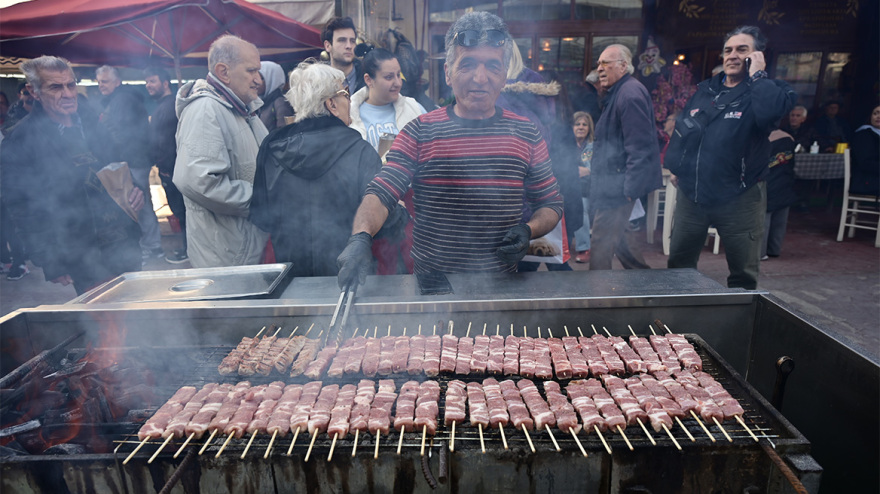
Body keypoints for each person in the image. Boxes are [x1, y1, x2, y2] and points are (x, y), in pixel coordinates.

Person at [336, 11, 563, 288]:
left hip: (502, 285)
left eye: (492, 66)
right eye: (467, 65)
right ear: (448, 72)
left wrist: (529, 230)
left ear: (504, 75)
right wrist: (361, 237)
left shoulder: (526, 133)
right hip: (432, 288)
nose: (480, 78)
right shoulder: (420, 131)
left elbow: (550, 204)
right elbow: (382, 191)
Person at [666, 25, 796, 289]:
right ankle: (674, 322)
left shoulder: (770, 90)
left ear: (758, 55)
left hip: (740, 195)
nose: (732, 55)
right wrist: (677, 166)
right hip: (693, 194)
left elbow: (769, 115)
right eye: (728, 50)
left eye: (742, 49)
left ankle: (737, 325)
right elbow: (684, 128)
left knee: (742, 274)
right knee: (678, 267)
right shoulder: (706, 90)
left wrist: (758, 76)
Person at [0, 56, 144, 294]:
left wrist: (135, 188)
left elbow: (118, 165)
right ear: (33, 92)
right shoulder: (21, 141)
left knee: (140, 313)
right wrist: (51, 261)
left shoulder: (91, 123)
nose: (67, 94)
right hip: (81, 252)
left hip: (124, 244)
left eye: (70, 85)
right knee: (106, 322)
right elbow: (21, 208)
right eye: (55, 87)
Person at [250, 61, 390, 278]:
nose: (350, 99)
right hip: (348, 277)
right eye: (345, 93)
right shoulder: (360, 150)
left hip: (290, 276)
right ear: (331, 104)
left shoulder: (271, 146)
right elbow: (383, 222)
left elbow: (262, 217)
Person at [173, 34, 269, 268]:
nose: (258, 80)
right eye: (251, 71)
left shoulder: (244, 108)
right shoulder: (205, 110)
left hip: (242, 249)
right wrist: (264, 200)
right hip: (226, 256)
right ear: (223, 72)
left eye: (259, 71)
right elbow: (200, 182)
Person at [589, 44, 662, 271]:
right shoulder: (619, 92)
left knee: (601, 242)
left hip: (618, 185)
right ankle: (644, 284)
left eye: (605, 63)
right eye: (599, 63)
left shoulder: (629, 94)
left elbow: (639, 146)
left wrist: (631, 189)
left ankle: (595, 295)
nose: (600, 68)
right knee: (622, 239)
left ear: (623, 66)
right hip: (614, 181)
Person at [95, 65, 163, 263]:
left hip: (131, 160)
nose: (101, 85)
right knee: (139, 202)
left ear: (117, 82)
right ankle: (151, 245)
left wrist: (115, 159)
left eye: (105, 81)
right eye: (99, 82)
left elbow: (121, 134)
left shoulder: (122, 100)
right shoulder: (119, 99)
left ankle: (149, 246)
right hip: (133, 159)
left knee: (136, 203)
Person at [144, 66, 188, 264]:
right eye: (147, 82)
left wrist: (168, 169)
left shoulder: (171, 106)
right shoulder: (164, 105)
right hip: (168, 170)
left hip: (173, 171)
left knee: (183, 212)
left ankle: (188, 250)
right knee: (179, 212)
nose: (148, 85)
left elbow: (171, 141)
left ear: (165, 83)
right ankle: (187, 248)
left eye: (152, 81)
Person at [349, 48, 426, 151]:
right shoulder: (350, 115)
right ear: (368, 80)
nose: (398, 83)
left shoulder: (414, 108)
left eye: (398, 75)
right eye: (389, 77)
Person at [762, 128, 798, 260]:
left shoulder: (763, 138)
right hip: (785, 182)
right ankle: (774, 249)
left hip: (767, 184)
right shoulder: (788, 137)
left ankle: (759, 252)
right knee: (780, 219)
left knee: (763, 218)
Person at [571, 111, 594, 263]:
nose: (581, 127)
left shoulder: (592, 146)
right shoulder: (567, 144)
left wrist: (576, 171)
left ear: (589, 128)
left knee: (581, 208)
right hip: (567, 187)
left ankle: (584, 247)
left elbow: (593, 169)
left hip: (588, 189)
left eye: (584, 124)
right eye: (577, 124)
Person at [322, 17, 366, 95]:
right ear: (328, 46)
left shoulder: (369, 78)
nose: (349, 46)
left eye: (352, 41)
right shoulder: (318, 82)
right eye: (342, 40)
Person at [849, 105, 880, 196]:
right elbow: (865, 163)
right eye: (875, 113)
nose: (878, 116)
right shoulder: (864, 135)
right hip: (867, 181)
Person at [256, 61, 294, 132]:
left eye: (261, 78)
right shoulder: (259, 102)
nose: (257, 82)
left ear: (271, 79)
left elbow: (282, 133)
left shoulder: (280, 103)